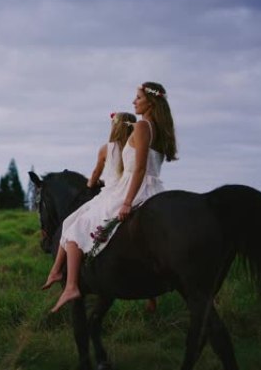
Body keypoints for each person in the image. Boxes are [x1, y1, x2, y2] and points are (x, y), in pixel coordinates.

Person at [45, 82, 178, 313]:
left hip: (133, 188)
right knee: (77, 221)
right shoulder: (159, 129)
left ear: (151, 102)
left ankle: (71, 285)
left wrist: (127, 201)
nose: (134, 101)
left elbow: (138, 169)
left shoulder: (142, 127)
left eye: (138, 97)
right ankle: (63, 276)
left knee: (77, 225)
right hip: (154, 187)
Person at [41, 111, 136, 290]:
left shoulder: (106, 149)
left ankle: (61, 271)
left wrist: (93, 183)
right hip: (133, 193)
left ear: (114, 127)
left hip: (111, 195)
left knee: (73, 224)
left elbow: (94, 175)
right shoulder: (135, 149)